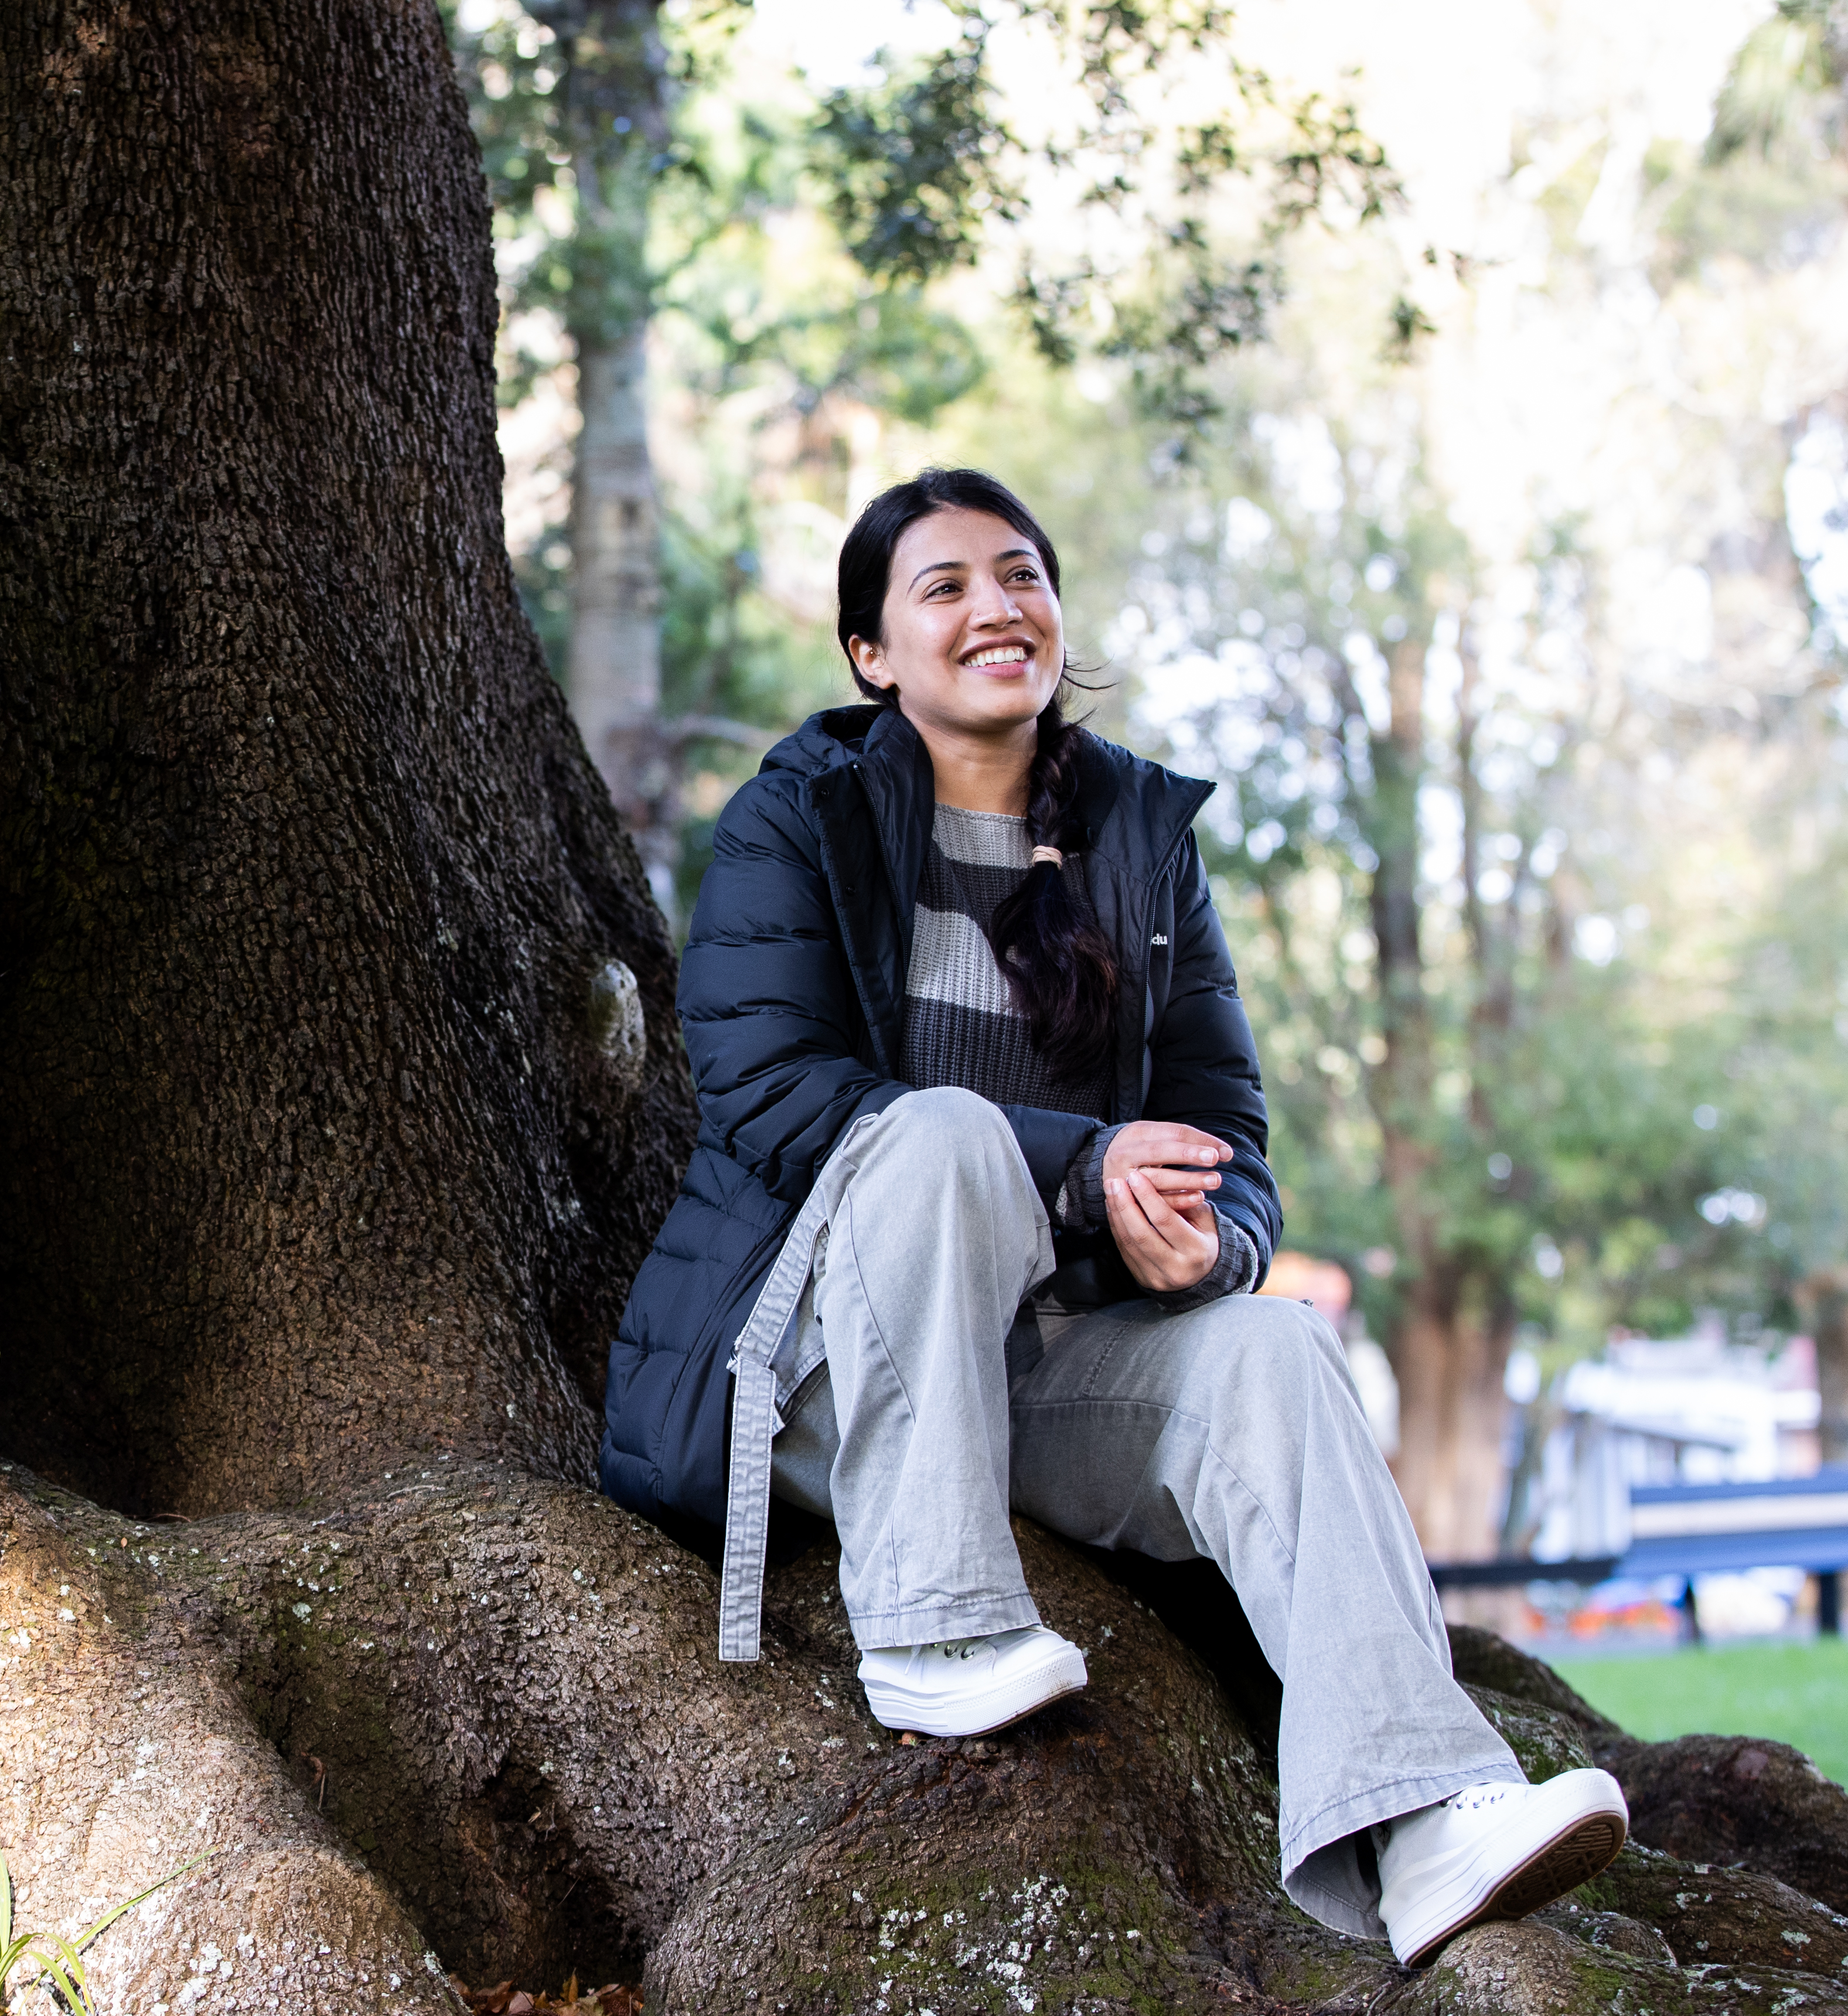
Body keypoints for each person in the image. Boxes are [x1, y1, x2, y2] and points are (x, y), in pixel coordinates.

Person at [598, 469, 1627, 1967]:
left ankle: (1426, 1817)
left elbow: (1229, 1143)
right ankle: (937, 1627)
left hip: (1033, 1377)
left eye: (1020, 574)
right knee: (934, 1134)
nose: (995, 606)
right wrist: (1084, 1171)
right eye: (941, 586)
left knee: (1271, 1354)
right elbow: (775, 1092)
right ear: (872, 655)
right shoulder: (797, 821)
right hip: (818, 1374)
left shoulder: (1141, 841)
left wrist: (1211, 1244)